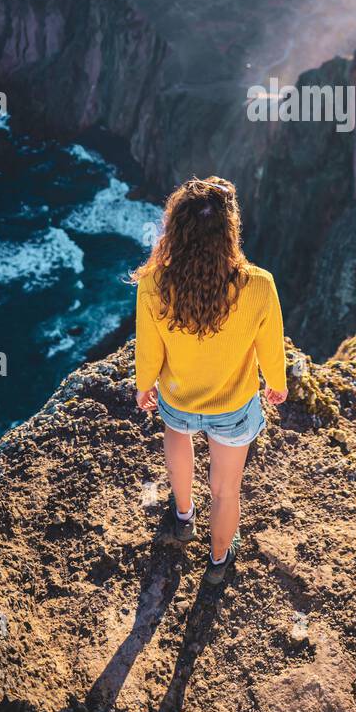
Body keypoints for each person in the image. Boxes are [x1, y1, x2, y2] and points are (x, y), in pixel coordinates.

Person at [131, 176, 287, 585]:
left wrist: (144, 384)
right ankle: (218, 562)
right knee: (225, 491)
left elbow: (149, 349)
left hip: (178, 399)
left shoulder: (153, 283)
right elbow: (271, 346)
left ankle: (183, 518)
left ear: (175, 229)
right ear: (230, 229)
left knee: (178, 440)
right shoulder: (259, 285)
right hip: (233, 408)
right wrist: (277, 382)